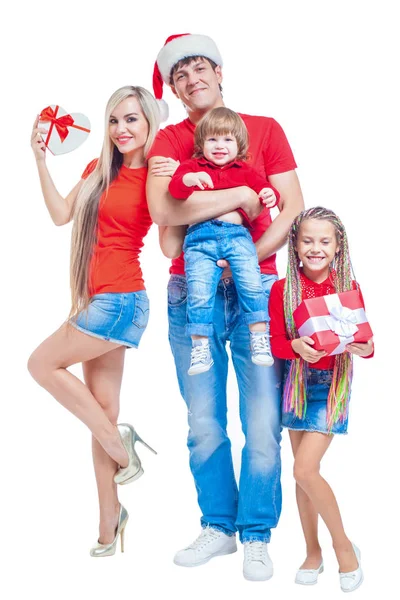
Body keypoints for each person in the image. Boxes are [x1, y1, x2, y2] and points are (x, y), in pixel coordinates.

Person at [146, 33, 304, 581]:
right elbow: (164, 213)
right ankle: (219, 526)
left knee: (263, 421)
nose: (192, 81)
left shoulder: (264, 130)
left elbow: (291, 210)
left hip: (255, 293)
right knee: (204, 421)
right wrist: (238, 198)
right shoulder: (166, 139)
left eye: (199, 68)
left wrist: (239, 262)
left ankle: (257, 533)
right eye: (179, 75)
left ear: (219, 70)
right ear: (173, 88)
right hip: (192, 296)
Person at [28, 86, 162, 557]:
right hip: (102, 299)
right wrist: (41, 162)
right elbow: (63, 215)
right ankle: (110, 523)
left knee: (40, 365)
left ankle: (121, 449)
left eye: (131, 120)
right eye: (113, 121)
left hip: (119, 300)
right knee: (100, 412)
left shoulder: (154, 174)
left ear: (149, 123)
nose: (121, 129)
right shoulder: (99, 169)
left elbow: (172, 227)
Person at [269, 206, 374, 592]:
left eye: (324, 241)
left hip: (330, 387)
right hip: (297, 384)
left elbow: (367, 341)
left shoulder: (347, 287)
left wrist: (365, 348)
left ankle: (344, 549)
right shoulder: (284, 289)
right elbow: (278, 342)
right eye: (308, 241)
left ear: (337, 246)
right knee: (302, 475)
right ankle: (312, 552)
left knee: (302, 470)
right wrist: (295, 344)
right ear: (295, 244)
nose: (315, 248)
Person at [168, 106, 280, 375]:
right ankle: (200, 347)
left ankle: (259, 336)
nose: (220, 146)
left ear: (239, 145)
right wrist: (189, 178)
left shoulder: (245, 171)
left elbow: (265, 192)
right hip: (199, 241)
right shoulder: (192, 167)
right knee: (199, 292)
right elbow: (174, 189)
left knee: (251, 283)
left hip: (237, 237)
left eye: (227, 140)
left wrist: (268, 194)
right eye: (213, 140)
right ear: (201, 144)